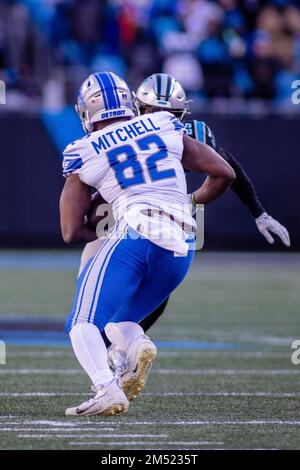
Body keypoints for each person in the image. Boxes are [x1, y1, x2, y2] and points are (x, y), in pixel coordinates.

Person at [77, 73, 290, 375]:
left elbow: (226, 165)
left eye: (170, 114)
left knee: (153, 287)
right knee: (98, 288)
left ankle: (118, 350)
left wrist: (257, 212)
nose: (161, 118)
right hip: (118, 217)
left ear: (181, 115)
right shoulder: (117, 132)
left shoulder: (186, 133)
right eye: (152, 112)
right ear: (137, 107)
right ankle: (115, 346)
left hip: (161, 216)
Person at [60, 71, 235, 417]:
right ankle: (137, 345)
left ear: (85, 112)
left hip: (135, 231)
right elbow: (224, 173)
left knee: (81, 322)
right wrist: (191, 201)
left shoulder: (83, 150)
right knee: (116, 322)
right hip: (183, 244)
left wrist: (107, 224)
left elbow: (69, 229)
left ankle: (106, 389)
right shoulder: (163, 124)